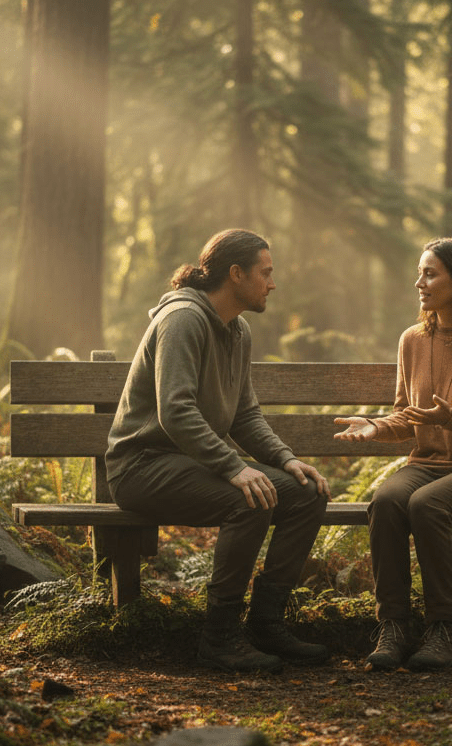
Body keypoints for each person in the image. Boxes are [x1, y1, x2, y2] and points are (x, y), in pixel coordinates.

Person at [106, 229, 331, 673]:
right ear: (235, 274)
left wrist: (284, 459)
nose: (272, 283)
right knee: (247, 500)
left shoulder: (237, 330)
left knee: (306, 493)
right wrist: (234, 468)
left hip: (187, 462)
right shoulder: (183, 320)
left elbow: (244, 414)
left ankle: (266, 623)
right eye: (265, 273)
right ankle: (220, 638)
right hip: (140, 466)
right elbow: (175, 410)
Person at [334, 238, 452, 671]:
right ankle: (394, 626)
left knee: (427, 503)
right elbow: (407, 414)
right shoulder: (413, 340)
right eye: (420, 273)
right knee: (384, 500)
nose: (419, 282)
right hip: (428, 465)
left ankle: (444, 630)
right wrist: (376, 426)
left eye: (430, 274)